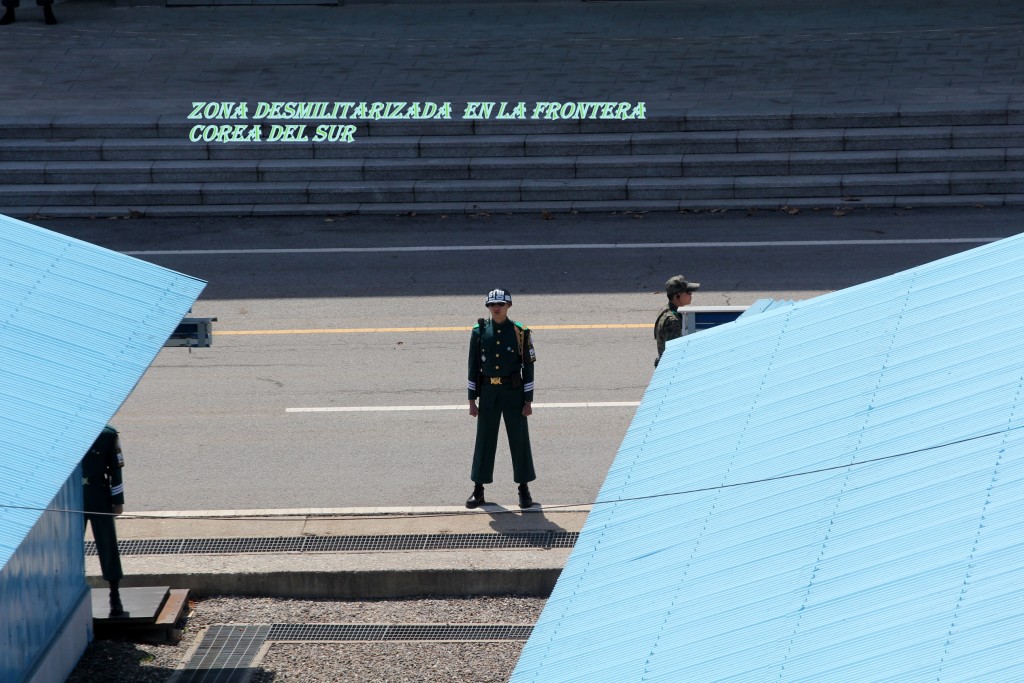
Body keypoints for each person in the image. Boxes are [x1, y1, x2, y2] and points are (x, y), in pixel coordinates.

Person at [466, 288, 537, 510]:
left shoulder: (520, 332)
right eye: (492, 305)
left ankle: (524, 489)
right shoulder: (479, 331)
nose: (496, 308)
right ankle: (478, 489)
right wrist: (471, 400)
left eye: (500, 304)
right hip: (488, 393)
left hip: (513, 393)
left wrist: (528, 401)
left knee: (519, 441)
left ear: (509, 306)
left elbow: (528, 367)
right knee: (484, 441)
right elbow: (473, 367)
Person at [83, 424, 126, 617]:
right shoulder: (64, 430)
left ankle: (114, 594)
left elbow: (115, 469)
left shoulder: (107, 434)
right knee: (70, 548)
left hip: (99, 493)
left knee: (107, 544)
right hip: (73, 496)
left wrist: (118, 500)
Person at [654, 275, 700, 367]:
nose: (691, 294)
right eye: (688, 292)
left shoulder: (666, 310)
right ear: (677, 296)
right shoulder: (673, 321)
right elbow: (675, 355)